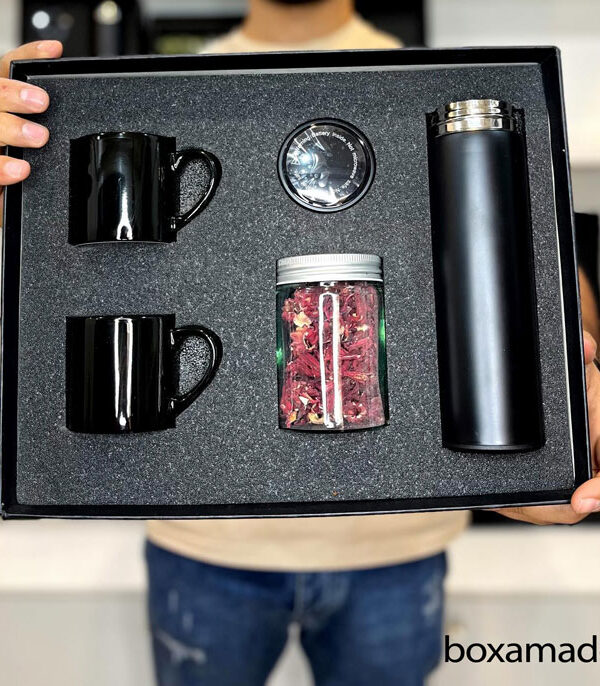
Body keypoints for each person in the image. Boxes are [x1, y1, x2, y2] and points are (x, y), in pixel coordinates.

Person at [1, 5, 600, 683]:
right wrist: (21, 202)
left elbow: (551, 276)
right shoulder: (161, 84)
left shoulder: (429, 78)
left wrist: (560, 409)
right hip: (204, 552)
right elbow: (39, 276)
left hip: (398, 552)